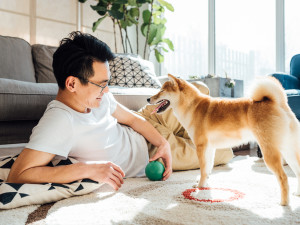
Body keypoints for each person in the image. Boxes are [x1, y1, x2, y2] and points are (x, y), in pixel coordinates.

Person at [7, 32, 233, 190]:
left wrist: (162, 142)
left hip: (150, 123)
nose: (107, 91)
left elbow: (134, 119)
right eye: (101, 84)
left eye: (108, 83)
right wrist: (86, 169)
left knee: (198, 96)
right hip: (148, 154)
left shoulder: (100, 97)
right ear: (72, 84)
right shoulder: (59, 121)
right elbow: (19, 174)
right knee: (223, 149)